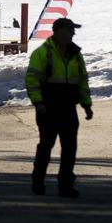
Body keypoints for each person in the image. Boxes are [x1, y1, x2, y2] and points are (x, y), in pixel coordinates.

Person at [25, 18, 93, 198]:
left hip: (68, 108)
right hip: (48, 108)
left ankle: (65, 185)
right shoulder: (42, 53)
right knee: (46, 145)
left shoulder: (76, 54)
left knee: (70, 147)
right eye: (70, 30)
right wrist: (38, 103)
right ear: (59, 31)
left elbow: (82, 81)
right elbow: (31, 81)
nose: (73, 33)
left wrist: (86, 104)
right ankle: (38, 181)